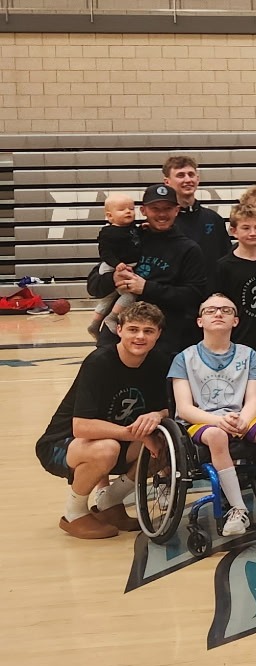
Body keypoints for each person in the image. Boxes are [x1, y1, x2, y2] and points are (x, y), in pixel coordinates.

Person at [172, 294, 256, 536]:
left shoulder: (248, 354)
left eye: (226, 310)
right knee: (216, 435)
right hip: (203, 420)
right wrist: (218, 421)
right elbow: (184, 409)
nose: (218, 314)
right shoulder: (184, 358)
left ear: (235, 321)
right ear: (200, 321)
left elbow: (253, 398)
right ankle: (237, 508)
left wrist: (244, 418)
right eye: (211, 310)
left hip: (241, 416)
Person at [38, 303, 172, 539]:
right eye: (133, 329)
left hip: (115, 439)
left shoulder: (159, 362)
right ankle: (74, 514)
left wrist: (158, 415)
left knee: (164, 443)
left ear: (158, 334)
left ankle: (110, 503)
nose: (140, 336)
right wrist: (139, 435)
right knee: (106, 448)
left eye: (148, 331)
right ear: (119, 330)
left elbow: (164, 407)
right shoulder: (99, 362)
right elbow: (82, 427)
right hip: (63, 443)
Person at [87, 184, 206, 353]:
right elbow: (93, 287)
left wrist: (146, 288)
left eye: (168, 208)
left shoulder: (188, 249)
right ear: (143, 211)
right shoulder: (129, 238)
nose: (162, 214)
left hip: (163, 337)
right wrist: (113, 279)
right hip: (118, 335)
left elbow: (193, 295)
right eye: (155, 209)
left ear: (177, 210)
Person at [211, 204, 256, 406]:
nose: (253, 233)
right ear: (233, 231)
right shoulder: (224, 266)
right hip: (238, 342)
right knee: (238, 400)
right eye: (246, 228)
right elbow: (219, 308)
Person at [163, 156, 230, 278]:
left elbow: (226, 260)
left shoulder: (214, 219)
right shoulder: (162, 223)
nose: (187, 179)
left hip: (211, 294)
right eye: (180, 175)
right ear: (167, 182)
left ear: (197, 179)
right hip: (176, 294)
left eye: (191, 174)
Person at [87, 193, 139, 337]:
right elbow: (105, 253)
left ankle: (95, 324)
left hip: (126, 265)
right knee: (130, 294)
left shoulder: (133, 227)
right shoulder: (108, 233)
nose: (128, 211)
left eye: (131, 208)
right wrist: (117, 265)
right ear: (110, 216)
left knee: (108, 299)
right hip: (112, 267)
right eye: (122, 209)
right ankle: (112, 317)